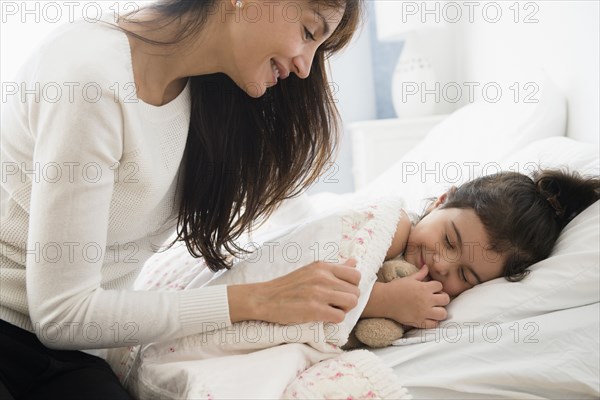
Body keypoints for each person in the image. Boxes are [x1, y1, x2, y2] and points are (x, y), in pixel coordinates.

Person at [0, 1, 364, 398]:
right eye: (310, 33)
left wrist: (364, 292)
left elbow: (300, 222)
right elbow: (62, 315)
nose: (305, 67)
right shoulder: (92, 77)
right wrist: (258, 300)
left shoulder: (214, 90)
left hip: (73, 352)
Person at [362, 169, 600, 329]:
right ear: (441, 202)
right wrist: (382, 301)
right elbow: (327, 286)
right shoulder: (392, 229)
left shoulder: (430, 303)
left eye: (465, 275)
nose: (442, 264)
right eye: (449, 241)